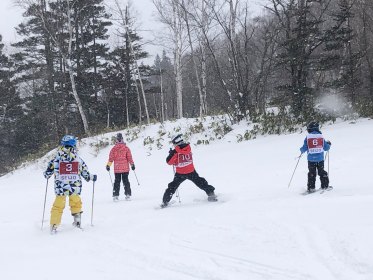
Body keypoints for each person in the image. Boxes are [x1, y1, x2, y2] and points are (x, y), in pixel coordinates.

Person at [43, 135, 97, 233]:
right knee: (76, 203)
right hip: (74, 187)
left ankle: (54, 225)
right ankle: (77, 221)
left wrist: (47, 174)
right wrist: (91, 177)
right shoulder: (77, 159)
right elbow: (84, 172)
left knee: (58, 205)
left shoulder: (57, 158)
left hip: (61, 187)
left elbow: (48, 171)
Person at [161, 133, 217, 208]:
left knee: (172, 187)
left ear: (176, 142)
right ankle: (211, 193)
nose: (173, 145)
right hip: (191, 171)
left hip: (180, 173)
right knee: (200, 182)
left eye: (173, 143)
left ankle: (165, 201)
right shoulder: (188, 147)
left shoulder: (175, 152)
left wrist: (171, 153)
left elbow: (169, 162)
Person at [300, 122, 331, 193]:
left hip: (311, 160)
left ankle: (311, 188)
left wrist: (301, 150)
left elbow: (304, 147)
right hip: (320, 159)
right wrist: (328, 145)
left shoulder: (308, 137)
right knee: (321, 172)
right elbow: (326, 148)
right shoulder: (320, 136)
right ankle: (325, 185)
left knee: (312, 173)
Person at [106, 133, 135, 202]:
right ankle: (127, 195)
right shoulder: (126, 148)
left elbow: (111, 159)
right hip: (125, 168)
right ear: (122, 139)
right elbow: (129, 158)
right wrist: (132, 165)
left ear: (116, 140)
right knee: (126, 181)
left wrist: (108, 165)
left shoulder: (113, 149)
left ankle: (116, 195)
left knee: (117, 182)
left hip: (117, 169)